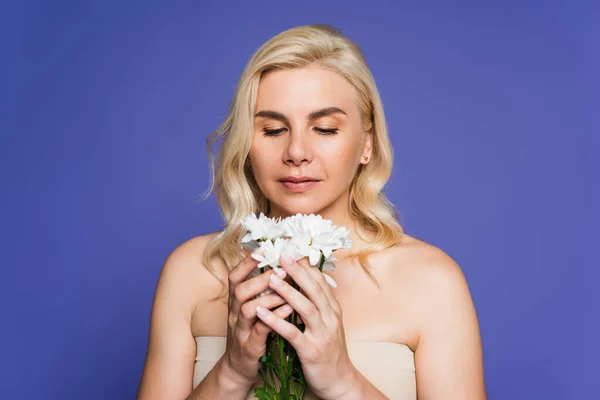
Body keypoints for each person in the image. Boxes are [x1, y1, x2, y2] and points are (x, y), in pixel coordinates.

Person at [137, 24, 487, 400]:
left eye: (324, 128)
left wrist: (344, 381)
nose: (297, 152)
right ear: (246, 144)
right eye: (272, 130)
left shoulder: (431, 281)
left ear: (367, 144)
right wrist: (233, 371)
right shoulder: (194, 270)